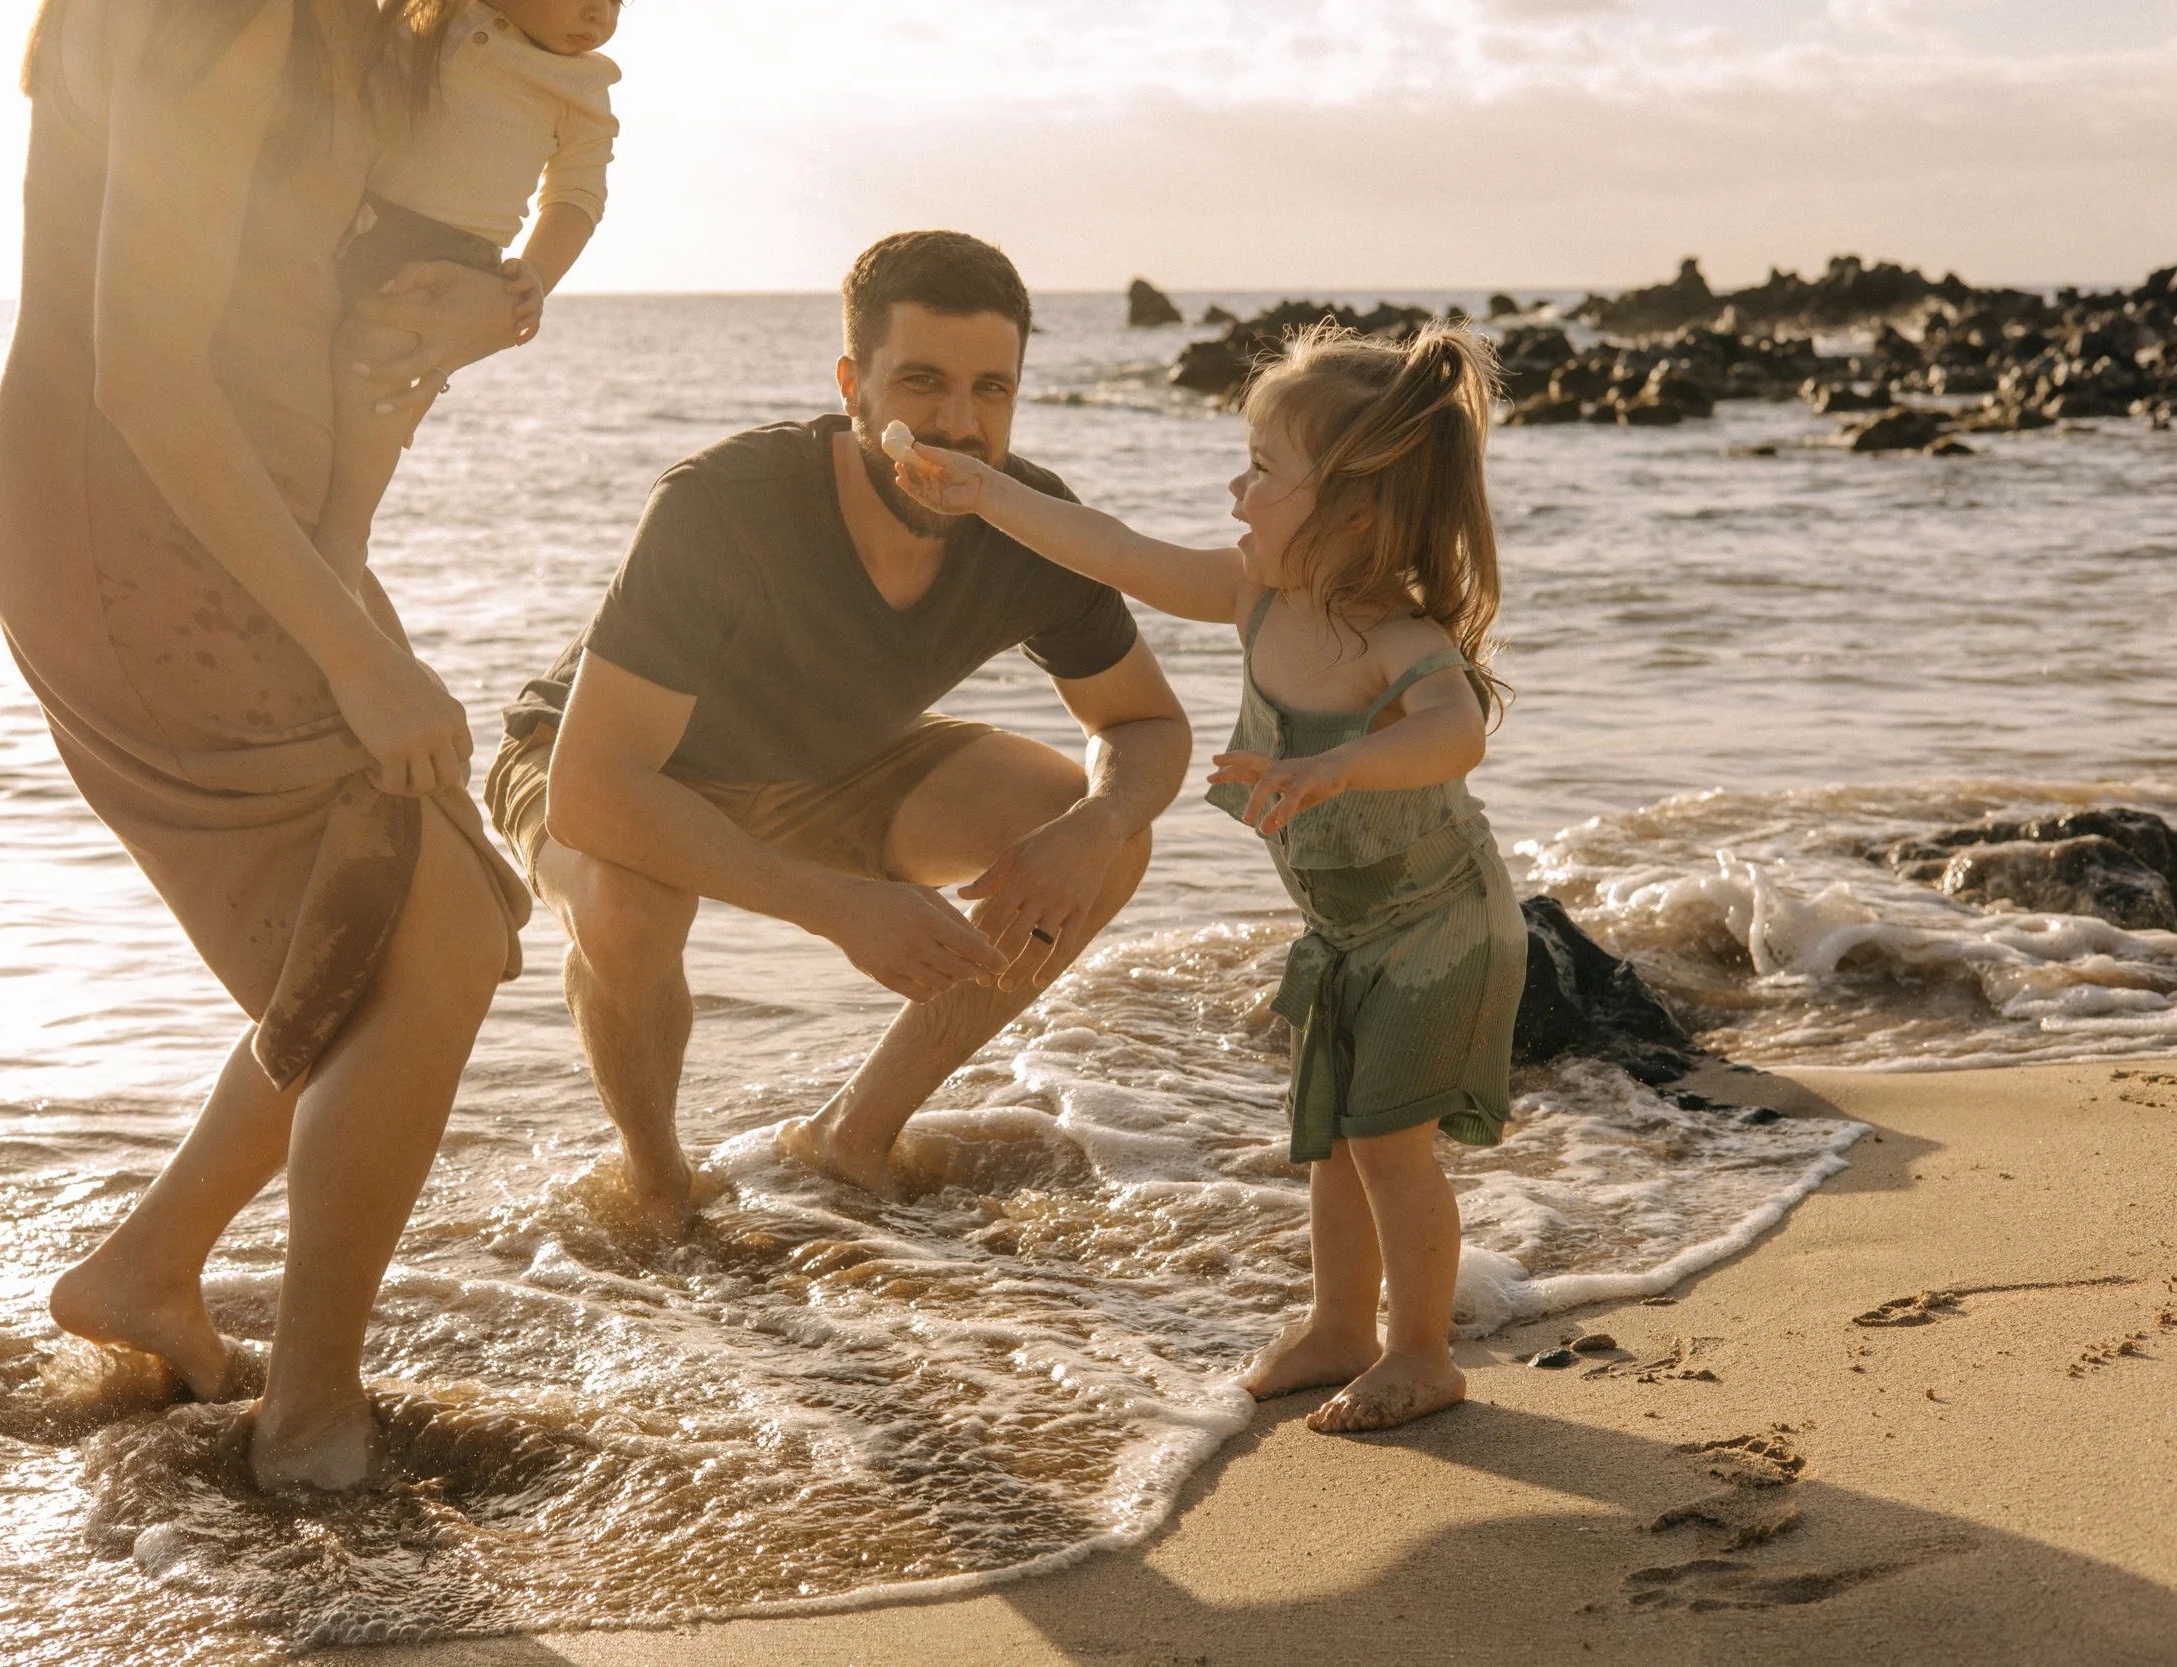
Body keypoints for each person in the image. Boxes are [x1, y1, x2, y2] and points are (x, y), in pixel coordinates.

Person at [0, 0, 535, 1490]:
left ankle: (150, 1268)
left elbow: (341, 279)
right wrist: (359, 652)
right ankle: (306, 1416)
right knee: (425, 935)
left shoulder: (349, 29)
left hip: (259, 522)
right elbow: (144, 371)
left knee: (451, 915)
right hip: (137, 523)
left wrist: (502, 299)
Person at [888, 321, 1526, 1433]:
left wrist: (1336, 765)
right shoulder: (1254, 594)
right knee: (1330, 1133)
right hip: (1345, 928)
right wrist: (985, 491)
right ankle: (1338, 1325)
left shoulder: (1392, 637)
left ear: (1356, 510)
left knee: (1387, 1141)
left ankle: (1421, 1350)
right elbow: (1113, 547)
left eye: (1265, 470)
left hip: (1438, 922)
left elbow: (1454, 731)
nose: (1237, 488)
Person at [485, 231, 1194, 1231]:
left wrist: (1098, 822)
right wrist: (840, 906)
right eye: (921, 381)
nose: (957, 422)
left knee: (1102, 832)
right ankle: (656, 1190)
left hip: (834, 763)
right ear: (851, 383)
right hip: (605, 759)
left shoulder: (1028, 522)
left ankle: (850, 1138)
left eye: (991, 388)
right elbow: (592, 787)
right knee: (631, 909)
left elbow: (1146, 722)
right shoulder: (726, 506)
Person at [316, 0, 622, 575]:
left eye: (616, 2)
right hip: (348, 220)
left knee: (374, 371)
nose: (597, 14)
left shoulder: (583, 85)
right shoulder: (429, 18)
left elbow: (577, 197)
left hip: (448, 256)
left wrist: (535, 274)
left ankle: (345, 533)